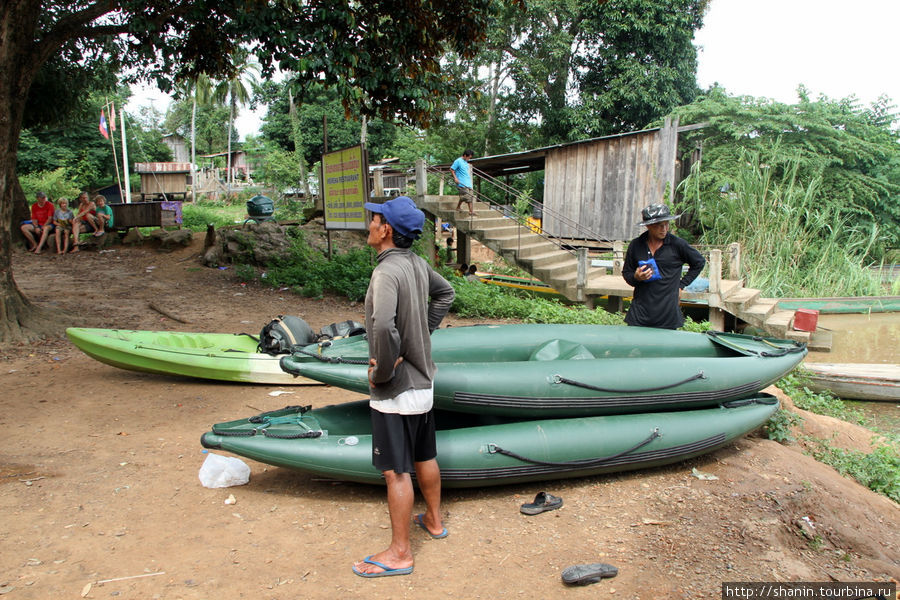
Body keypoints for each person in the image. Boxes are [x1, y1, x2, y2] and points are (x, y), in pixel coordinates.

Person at [352, 195, 455, 578]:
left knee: (396, 471)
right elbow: (446, 293)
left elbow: (382, 327)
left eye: (373, 219)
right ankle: (434, 519)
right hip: (423, 384)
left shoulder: (386, 272)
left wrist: (382, 373)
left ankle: (400, 553)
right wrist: (421, 335)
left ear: (387, 229)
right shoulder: (416, 264)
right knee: (424, 455)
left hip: (397, 389)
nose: (369, 225)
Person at [622, 203, 705, 329]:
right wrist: (636, 277)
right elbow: (627, 273)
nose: (664, 229)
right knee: (636, 348)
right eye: (659, 225)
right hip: (640, 314)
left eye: (667, 224)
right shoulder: (636, 245)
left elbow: (699, 262)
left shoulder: (677, 245)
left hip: (667, 314)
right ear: (648, 226)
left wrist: (681, 285)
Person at [450, 149, 476, 217]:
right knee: (468, 196)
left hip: (468, 183)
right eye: (468, 157)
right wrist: (455, 178)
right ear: (464, 155)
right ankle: (471, 211)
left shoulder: (466, 162)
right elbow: (452, 169)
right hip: (461, 182)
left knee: (468, 196)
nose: (469, 159)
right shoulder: (458, 161)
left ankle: (458, 207)